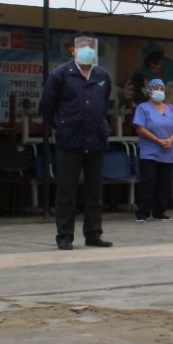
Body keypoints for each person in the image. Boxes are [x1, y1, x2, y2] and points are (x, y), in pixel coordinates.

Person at [40, 33, 113, 250]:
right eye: (83, 48)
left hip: (96, 139)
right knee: (66, 191)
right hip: (69, 141)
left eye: (91, 48)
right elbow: (46, 107)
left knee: (94, 191)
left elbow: (104, 103)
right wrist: (61, 126)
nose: (88, 51)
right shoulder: (60, 74)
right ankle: (64, 235)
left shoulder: (102, 75)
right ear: (73, 51)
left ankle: (93, 234)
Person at [132, 78, 173, 222]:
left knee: (164, 182)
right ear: (149, 92)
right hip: (149, 152)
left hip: (168, 151)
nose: (159, 92)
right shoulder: (143, 108)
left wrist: (170, 140)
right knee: (148, 182)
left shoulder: (171, 109)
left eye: (161, 89)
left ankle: (160, 211)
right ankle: (143, 212)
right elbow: (140, 128)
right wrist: (157, 140)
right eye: (156, 89)